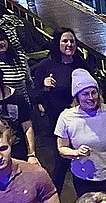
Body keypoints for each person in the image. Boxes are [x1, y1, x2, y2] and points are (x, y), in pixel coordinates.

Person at [56, 69, 106, 203]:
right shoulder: (67, 117)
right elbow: (62, 148)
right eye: (85, 94)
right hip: (84, 179)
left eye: (93, 92)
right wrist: (76, 153)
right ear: (77, 97)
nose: (90, 97)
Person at [31, 28, 88, 190]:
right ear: (57, 43)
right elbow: (34, 95)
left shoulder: (81, 63)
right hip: (57, 120)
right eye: (65, 41)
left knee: (82, 157)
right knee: (61, 162)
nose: (69, 45)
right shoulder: (45, 66)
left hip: (82, 118)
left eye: (72, 41)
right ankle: (53, 197)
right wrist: (45, 87)